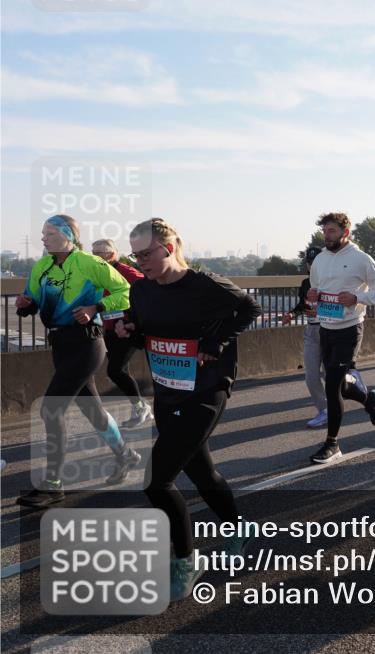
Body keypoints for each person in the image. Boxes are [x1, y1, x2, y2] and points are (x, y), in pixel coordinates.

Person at [115, 217, 260, 601]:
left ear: (169, 247)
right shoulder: (141, 291)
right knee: (203, 472)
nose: (140, 260)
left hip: (206, 390)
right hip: (167, 392)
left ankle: (185, 558)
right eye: (135, 254)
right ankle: (240, 528)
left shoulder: (205, 285)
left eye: (146, 253)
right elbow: (149, 331)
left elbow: (249, 308)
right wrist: (130, 331)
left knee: (156, 481)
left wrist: (215, 340)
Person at [15, 215, 140, 508]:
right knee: (93, 411)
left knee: (51, 409)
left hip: (87, 343)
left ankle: (53, 485)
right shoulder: (42, 267)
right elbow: (31, 302)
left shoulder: (90, 263)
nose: (43, 238)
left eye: (48, 233)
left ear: (67, 234)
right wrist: (25, 304)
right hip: (60, 344)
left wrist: (96, 306)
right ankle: (126, 455)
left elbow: (127, 292)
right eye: (42, 233)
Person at [307, 213, 375, 464]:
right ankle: (368, 398)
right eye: (325, 231)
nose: (327, 235)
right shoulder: (320, 259)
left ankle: (332, 444)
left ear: (345, 232)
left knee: (332, 384)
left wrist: (357, 298)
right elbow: (316, 293)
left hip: (350, 328)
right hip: (326, 327)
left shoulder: (360, 259)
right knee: (340, 383)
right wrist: (313, 298)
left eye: (331, 231)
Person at [91, 238, 152, 429]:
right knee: (120, 370)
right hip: (108, 327)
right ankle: (141, 408)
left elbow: (149, 291)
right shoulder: (96, 274)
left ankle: (141, 408)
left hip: (126, 328)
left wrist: (132, 319)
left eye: (98, 254)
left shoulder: (126, 272)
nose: (94, 257)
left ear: (110, 255)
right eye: (92, 253)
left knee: (115, 370)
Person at [281, 246, 328, 428]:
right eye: (309, 263)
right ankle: (324, 411)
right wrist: (292, 314)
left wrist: (321, 309)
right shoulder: (305, 284)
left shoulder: (331, 282)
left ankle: (356, 392)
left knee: (330, 374)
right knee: (311, 375)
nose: (312, 266)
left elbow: (339, 307)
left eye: (315, 262)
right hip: (311, 331)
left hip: (329, 330)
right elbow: (303, 305)